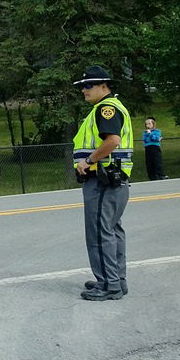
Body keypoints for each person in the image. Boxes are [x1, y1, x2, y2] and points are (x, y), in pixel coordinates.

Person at [72, 65, 133, 301]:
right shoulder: (111, 107)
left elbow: (113, 140)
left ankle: (109, 285)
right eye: (82, 86)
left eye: (88, 86)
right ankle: (116, 279)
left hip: (102, 180)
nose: (84, 90)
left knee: (99, 232)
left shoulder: (105, 108)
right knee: (113, 230)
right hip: (115, 180)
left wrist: (88, 160)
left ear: (103, 86)